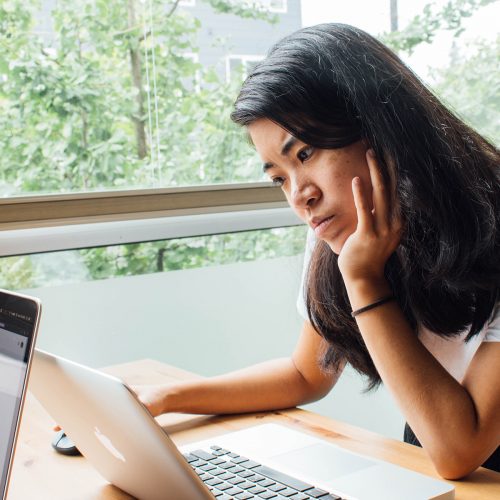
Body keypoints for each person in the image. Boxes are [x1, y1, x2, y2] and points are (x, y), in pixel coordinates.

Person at [135, 23, 500, 479]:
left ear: (379, 129)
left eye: (305, 154)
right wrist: (168, 398)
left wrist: (364, 280)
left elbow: (460, 449)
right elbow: (305, 374)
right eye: (278, 177)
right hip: (436, 454)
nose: (299, 196)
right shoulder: (344, 223)